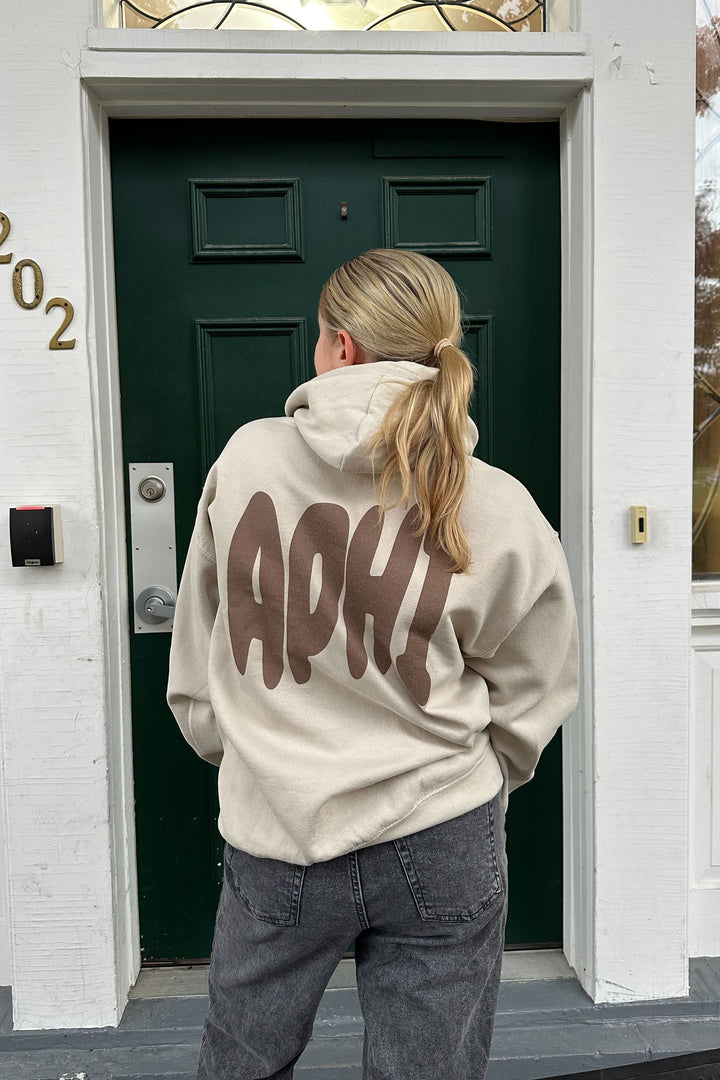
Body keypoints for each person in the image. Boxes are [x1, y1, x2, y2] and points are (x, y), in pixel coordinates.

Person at [166, 248, 580, 1080]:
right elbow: (536, 681)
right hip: (441, 824)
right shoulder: (496, 500)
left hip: (277, 824)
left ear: (341, 346)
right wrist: (485, 775)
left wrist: (247, 750)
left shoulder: (246, 460)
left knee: (242, 1059)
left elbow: (200, 648)